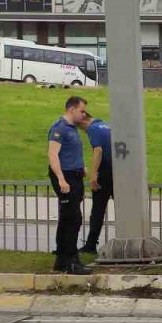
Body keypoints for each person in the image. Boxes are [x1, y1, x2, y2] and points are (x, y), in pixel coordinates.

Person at [47, 96, 91, 275]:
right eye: (81, 111)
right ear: (71, 110)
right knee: (73, 218)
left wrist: (83, 169)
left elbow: (71, 153)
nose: (84, 114)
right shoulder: (59, 128)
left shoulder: (72, 129)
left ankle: (62, 259)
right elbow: (53, 155)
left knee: (68, 218)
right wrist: (61, 179)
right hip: (66, 177)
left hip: (75, 175)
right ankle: (70, 260)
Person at [79, 111, 112, 254]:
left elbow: (98, 151)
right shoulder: (106, 125)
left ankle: (91, 244)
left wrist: (93, 175)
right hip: (120, 172)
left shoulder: (92, 129)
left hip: (105, 173)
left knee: (97, 210)